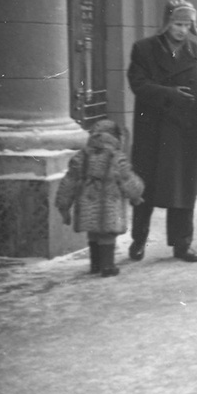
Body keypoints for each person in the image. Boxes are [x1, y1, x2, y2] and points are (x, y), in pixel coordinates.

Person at [127, 0, 197, 263]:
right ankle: (138, 240)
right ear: (166, 23)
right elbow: (138, 83)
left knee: (184, 187)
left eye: (187, 24)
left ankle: (182, 244)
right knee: (144, 187)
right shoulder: (143, 49)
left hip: (186, 128)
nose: (182, 29)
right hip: (153, 129)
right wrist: (168, 93)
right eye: (177, 24)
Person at [56, 119, 145, 277]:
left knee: (94, 233)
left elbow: (69, 181)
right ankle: (108, 266)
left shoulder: (81, 156)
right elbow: (126, 179)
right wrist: (136, 195)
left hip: (87, 204)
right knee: (107, 235)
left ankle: (95, 264)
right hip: (108, 205)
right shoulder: (116, 157)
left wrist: (63, 205)